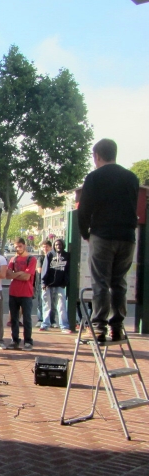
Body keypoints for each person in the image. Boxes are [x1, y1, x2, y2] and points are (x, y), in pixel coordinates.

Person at [78, 138, 139, 342]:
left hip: (102, 234)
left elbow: (84, 210)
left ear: (97, 156)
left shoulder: (94, 177)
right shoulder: (131, 177)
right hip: (127, 237)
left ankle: (98, 327)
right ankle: (117, 326)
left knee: (100, 282)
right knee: (119, 282)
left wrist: (86, 233)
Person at [6, 237, 36, 350]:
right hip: (13, 292)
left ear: (24, 245)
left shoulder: (31, 259)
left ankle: (28, 341)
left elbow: (27, 277)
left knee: (27, 318)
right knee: (14, 319)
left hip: (26, 293)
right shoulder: (13, 259)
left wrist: (15, 274)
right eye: (16, 247)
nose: (18, 249)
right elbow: (8, 275)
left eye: (20, 246)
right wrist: (20, 273)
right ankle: (15, 340)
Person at [40, 238, 71, 333]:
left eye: (60, 245)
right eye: (56, 245)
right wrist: (43, 282)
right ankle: (45, 324)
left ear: (63, 246)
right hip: (48, 284)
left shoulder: (66, 255)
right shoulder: (50, 255)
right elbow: (45, 268)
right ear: (54, 246)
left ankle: (64, 326)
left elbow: (67, 270)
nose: (58, 246)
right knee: (47, 305)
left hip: (60, 285)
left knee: (61, 305)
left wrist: (65, 282)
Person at [35, 241, 53, 328]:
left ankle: (51, 320)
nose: (45, 249)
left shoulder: (53, 257)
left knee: (52, 302)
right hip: (41, 283)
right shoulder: (40, 258)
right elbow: (39, 270)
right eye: (44, 247)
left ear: (50, 247)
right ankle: (40, 319)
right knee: (41, 301)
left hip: (52, 283)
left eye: (47, 247)